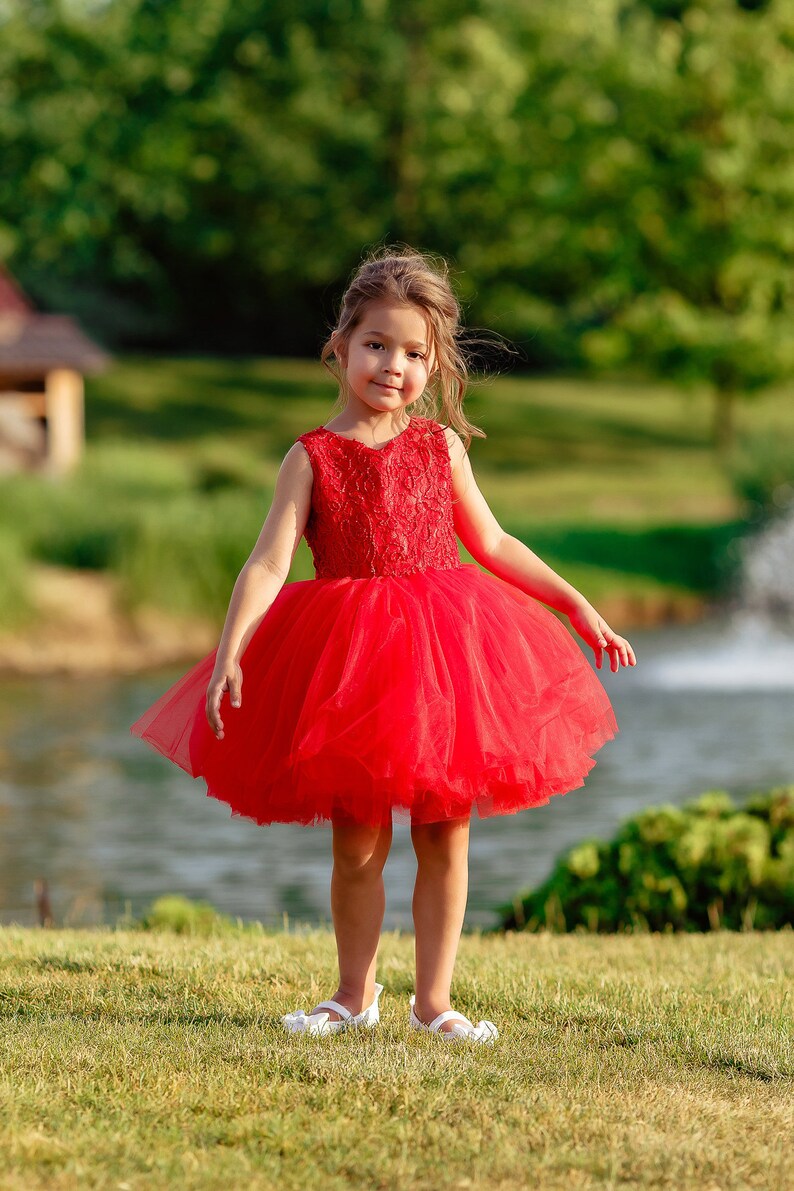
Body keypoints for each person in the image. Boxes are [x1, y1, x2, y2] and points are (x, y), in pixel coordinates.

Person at [131, 246, 636, 1044]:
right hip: (353, 665)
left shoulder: (441, 447)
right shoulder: (312, 456)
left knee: (445, 832)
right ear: (340, 344)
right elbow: (268, 560)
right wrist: (232, 645)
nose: (392, 365)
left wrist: (576, 603)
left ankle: (435, 1001)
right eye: (376, 345)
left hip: (446, 656)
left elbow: (494, 544)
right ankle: (351, 993)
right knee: (358, 838)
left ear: (433, 365)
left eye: (413, 353)